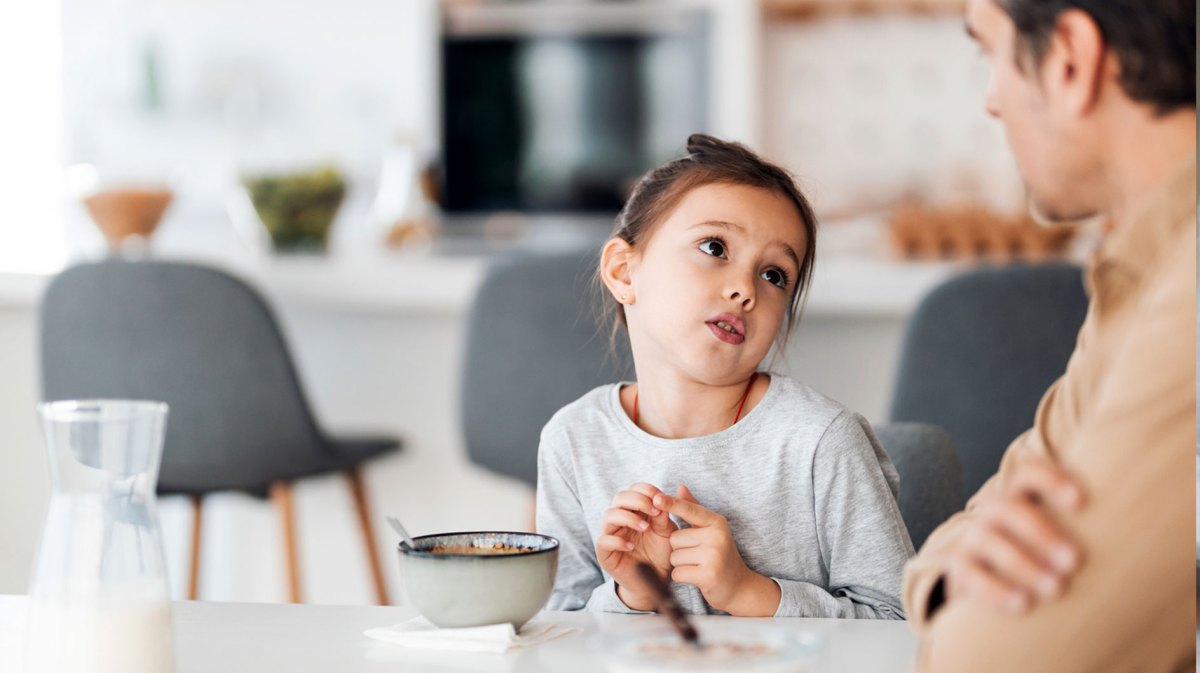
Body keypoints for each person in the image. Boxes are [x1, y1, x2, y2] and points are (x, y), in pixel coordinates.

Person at [903, 1, 1196, 670]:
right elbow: (980, 517)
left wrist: (953, 601)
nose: (991, 101)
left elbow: (998, 657)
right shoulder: (1138, 264)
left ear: (1069, 60)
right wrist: (950, 572)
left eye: (993, 54)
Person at [536, 134, 914, 618]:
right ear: (624, 272)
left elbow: (900, 626)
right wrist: (635, 595)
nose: (744, 289)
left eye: (774, 275)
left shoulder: (823, 442)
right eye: (715, 247)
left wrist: (750, 592)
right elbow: (557, 632)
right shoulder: (573, 440)